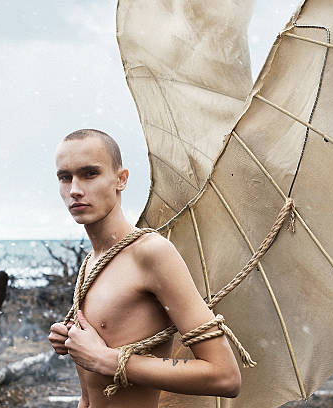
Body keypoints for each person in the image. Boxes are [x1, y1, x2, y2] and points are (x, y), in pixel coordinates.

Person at [48, 129, 241, 408]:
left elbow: (224, 376)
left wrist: (105, 359)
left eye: (89, 173)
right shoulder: (92, 262)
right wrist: (70, 340)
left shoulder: (150, 253)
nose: (75, 189)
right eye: (65, 177)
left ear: (121, 179)